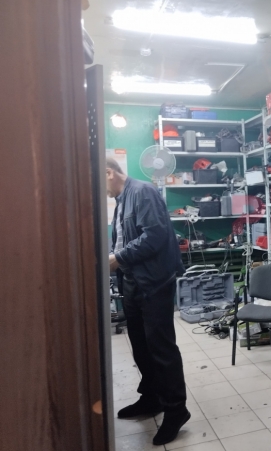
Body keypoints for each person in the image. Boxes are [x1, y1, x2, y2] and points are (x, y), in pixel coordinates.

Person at [106, 158, 189, 446]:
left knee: (161, 347)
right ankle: (152, 397)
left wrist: (118, 258)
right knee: (140, 345)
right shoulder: (122, 199)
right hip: (133, 280)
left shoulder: (142, 192)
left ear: (108, 173)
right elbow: (123, 236)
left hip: (154, 282)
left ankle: (176, 410)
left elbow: (155, 236)